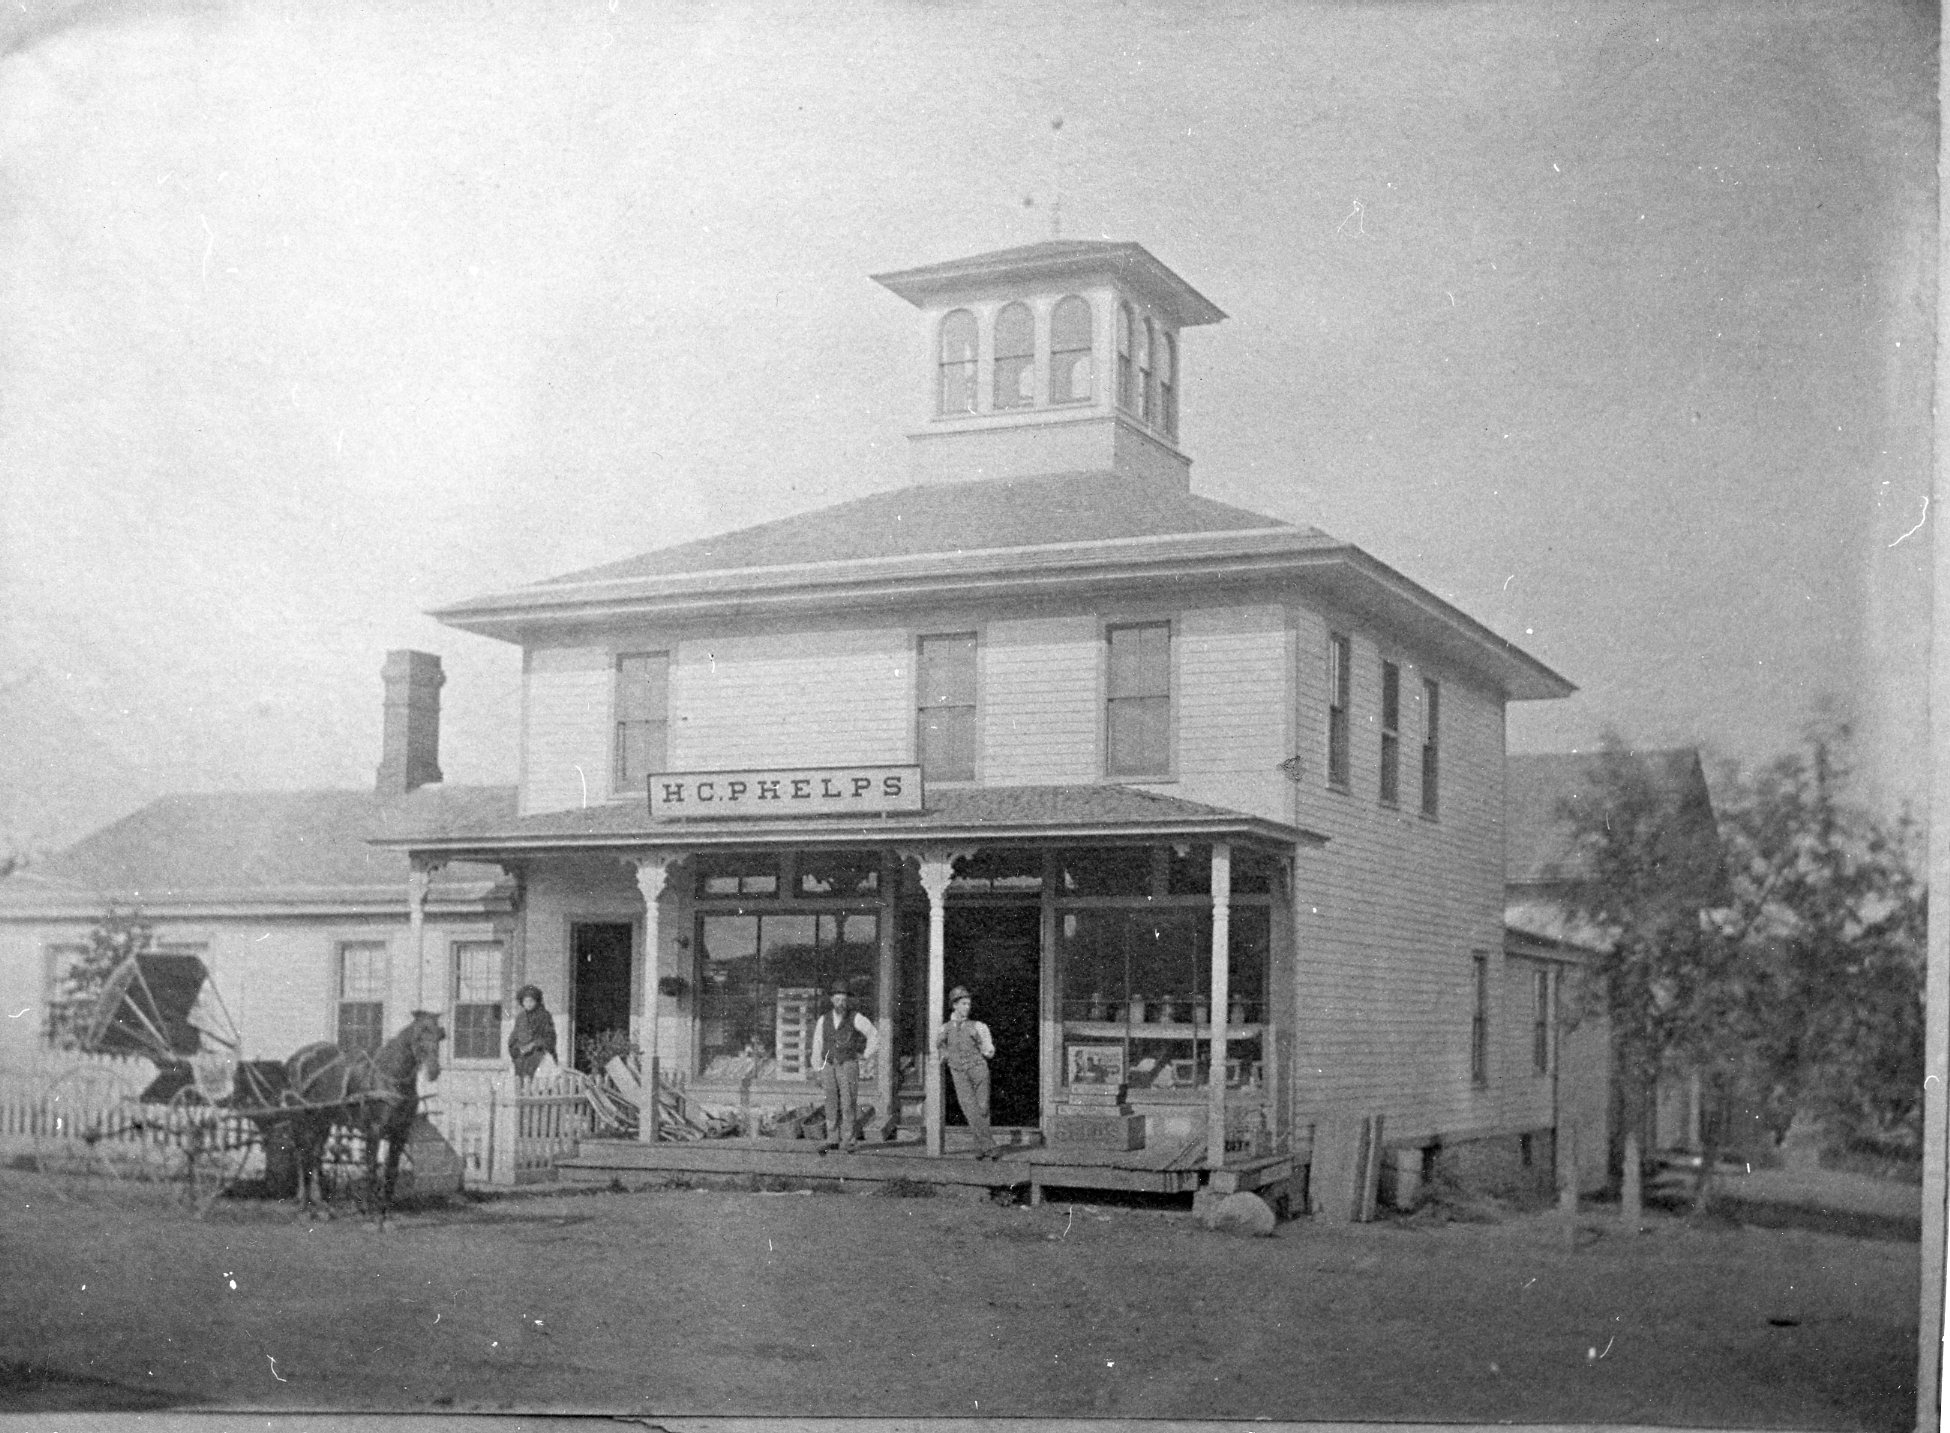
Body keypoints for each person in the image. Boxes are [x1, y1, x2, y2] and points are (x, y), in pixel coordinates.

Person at [810, 983, 879, 1152]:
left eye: (844, 999)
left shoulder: (855, 1017)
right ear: (832, 1000)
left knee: (848, 1102)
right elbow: (817, 1045)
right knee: (831, 1102)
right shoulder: (823, 1020)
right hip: (829, 1065)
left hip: (848, 1064)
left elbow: (874, 1034)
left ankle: (848, 1139)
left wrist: (866, 1054)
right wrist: (817, 1068)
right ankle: (832, 1138)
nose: (840, 1002)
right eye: (837, 999)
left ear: (847, 1001)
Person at [936, 986, 1000, 1159]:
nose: (967, 1007)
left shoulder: (978, 1026)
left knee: (983, 1108)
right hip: (959, 1072)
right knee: (969, 1109)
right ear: (954, 1005)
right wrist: (945, 1054)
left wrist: (981, 1043)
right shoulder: (945, 1028)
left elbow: (989, 1051)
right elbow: (940, 1046)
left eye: (969, 1004)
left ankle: (980, 1147)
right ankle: (989, 1146)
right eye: (964, 1004)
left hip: (978, 1070)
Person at [507, 985, 558, 1081]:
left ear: (536, 1001)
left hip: (540, 1052)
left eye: (531, 1001)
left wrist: (534, 1044)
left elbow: (550, 1037)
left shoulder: (544, 1016)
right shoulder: (520, 1017)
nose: (528, 1004)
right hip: (522, 1054)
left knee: (539, 1077)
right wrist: (518, 1047)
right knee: (517, 1072)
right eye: (525, 1001)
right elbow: (514, 1037)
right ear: (522, 1003)